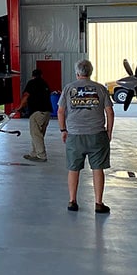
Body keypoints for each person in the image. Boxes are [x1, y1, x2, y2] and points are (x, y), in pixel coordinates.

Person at [57, 60, 114, 214]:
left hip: (74, 135)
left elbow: (61, 111)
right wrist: (109, 131)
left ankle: (72, 201)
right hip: (97, 135)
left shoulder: (69, 88)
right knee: (97, 169)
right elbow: (109, 111)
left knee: (73, 169)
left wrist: (63, 130)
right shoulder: (100, 88)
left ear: (77, 73)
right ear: (90, 72)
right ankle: (99, 203)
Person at [15, 69, 53, 162]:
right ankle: (34, 153)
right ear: (41, 75)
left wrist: (19, 107)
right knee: (39, 134)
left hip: (37, 112)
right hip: (47, 112)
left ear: (33, 75)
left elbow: (26, 95)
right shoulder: (45, 83)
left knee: (35, 134)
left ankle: (41, 155)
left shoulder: (31, 83)